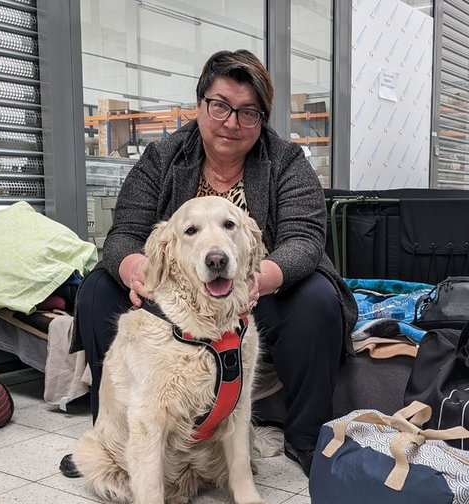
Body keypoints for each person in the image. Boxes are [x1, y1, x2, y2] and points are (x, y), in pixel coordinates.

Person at [61, 49, 357, 477]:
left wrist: (259, 279)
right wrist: (135, 269)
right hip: (176, 298)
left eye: (248, 112)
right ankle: (113, 441)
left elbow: (304, 241)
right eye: (220, 106)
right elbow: (124, 232)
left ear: (262, 119)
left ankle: (307, 437)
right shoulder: (163, 157)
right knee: (95, 292)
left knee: (317, 300)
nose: (231, 123)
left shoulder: (288, 162)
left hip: (255, 293)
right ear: (200, 105)